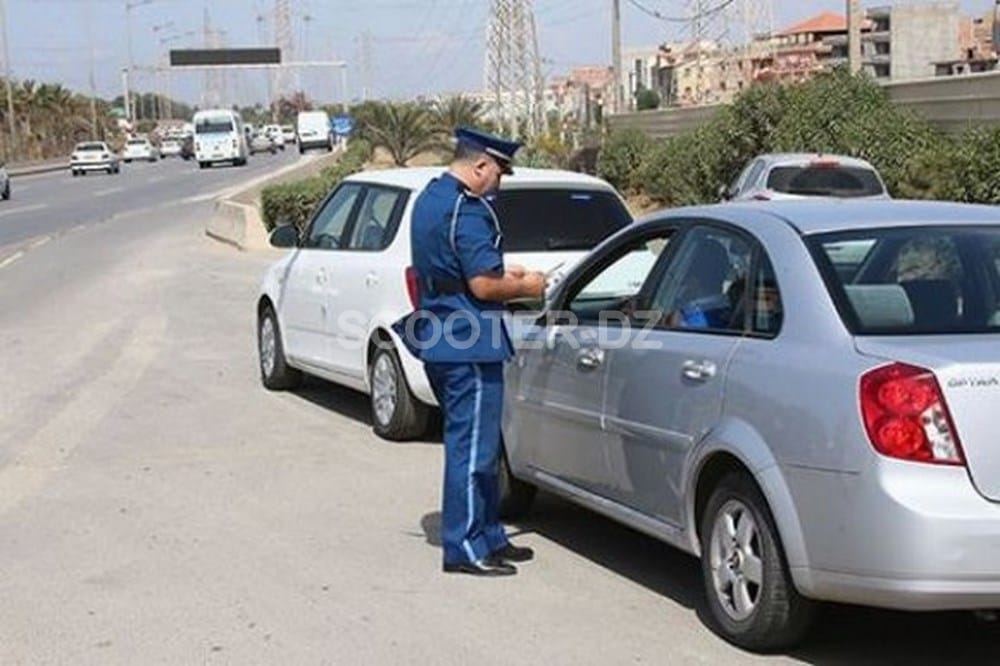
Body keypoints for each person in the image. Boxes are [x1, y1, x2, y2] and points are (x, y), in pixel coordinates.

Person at [394, 127, 546, 577]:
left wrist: (500, 271)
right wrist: (527, 284)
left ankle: (488, 535)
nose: (499, 182)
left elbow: (455, 268)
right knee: (474, 449)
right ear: (480, 166)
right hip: (469, 341)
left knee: (476, 446)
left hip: (442, 331)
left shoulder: (431, 198)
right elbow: (483, 284)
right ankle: (465, 547)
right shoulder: (470, 210)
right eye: (498, 172)